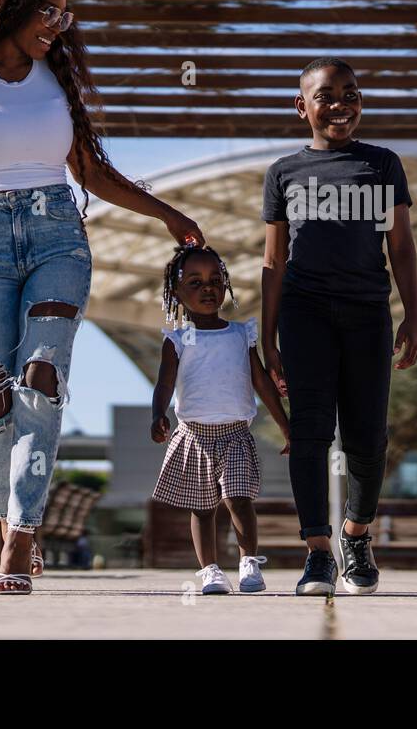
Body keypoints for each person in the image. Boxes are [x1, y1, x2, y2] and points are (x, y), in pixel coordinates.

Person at [0, 0, 203, 595]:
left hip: (57, 237)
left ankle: (20, 537)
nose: (57, 26)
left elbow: (90, 172)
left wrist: (167, 214)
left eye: (65, 16)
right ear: (8, 4)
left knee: (41, 377)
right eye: (48, 11)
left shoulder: (56, 78)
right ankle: (10, 512)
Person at [261, 58, 417, 597]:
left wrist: (412, 313)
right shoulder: (284, 172)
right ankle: (318, 555)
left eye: (350, 94)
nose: (340, 105)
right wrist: (267, 336)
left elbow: (400, 245)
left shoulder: (382, 165)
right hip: (304, 315)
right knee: (309, 434)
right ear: (301, 106)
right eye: (326, 96)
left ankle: (356, 534)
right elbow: (273, 261)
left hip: (366, 314)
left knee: (368, 434)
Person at [150, 244, 291, 595]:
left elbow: (261, 383)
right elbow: (164, 382)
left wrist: (286, 426)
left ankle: (248, 563)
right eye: (194, 283)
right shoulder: (178, 339)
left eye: (215, 280)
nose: (207, 288)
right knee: (202, 508)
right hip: (193, 435)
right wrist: (158, 415)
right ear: (176, 293)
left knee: (239, 499)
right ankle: (210, 570)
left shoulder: (241, 334)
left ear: (226, 285)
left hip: (236, 434)